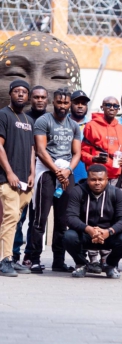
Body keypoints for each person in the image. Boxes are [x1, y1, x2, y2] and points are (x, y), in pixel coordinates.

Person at [29, 88, 82, 273]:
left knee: (62, 220)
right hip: (47, 172)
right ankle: (34, 259)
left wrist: (67, 171)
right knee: (40, 219)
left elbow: (77, 153)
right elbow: (40, 150)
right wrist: (56, 171)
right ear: (53, 102)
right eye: (59, 102)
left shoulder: (74, 125)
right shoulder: (44, 121)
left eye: (66, 102)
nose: (62, 106)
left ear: (70, 104)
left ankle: (58, 261)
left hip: (66, 173)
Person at [64, 165, 122, 279]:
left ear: (107, 180)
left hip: (108, 235)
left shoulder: (116, 193)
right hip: (85, 234)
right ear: (87, 179)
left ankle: (110, 265)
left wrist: (109, 231)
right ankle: (81, 264)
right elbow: (70, 217)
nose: (97, 183)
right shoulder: (77, 191)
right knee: (69, 236)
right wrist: (88, 229)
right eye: (93, 180)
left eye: (100, 179)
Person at [0, 80, 35, 277]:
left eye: (24, 92)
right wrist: (9, 172)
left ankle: (11, 258)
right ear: (10, 94)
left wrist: (32, 173)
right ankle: (4, 260)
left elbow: (32, 149)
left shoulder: (29, 120)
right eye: (16, 91)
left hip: (24, 180)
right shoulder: (3, 115)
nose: (20, 94)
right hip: (7, 178)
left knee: (16, 220)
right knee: (10, 217)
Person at [13, 85, 48, 267]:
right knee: (18, 217)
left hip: (42, 176)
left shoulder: (50, 119)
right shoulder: (22, 118)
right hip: (21, 174)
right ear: (30, 99)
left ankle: (30, 255)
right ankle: (13, 255)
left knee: (36, 219)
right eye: (36, 97)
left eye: (42, 97)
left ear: (47, 100)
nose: (39, 100)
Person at [81, 96, 122, 185]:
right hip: (96, 176)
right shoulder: (91, 126)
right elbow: (82, 152)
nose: (112, 108)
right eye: (108, 105)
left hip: (115, 177)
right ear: (102, 107)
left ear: (118, 109)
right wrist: (93, 158)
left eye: (115, 106)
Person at [69, 90, 91, 183]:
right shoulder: (62, 123)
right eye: (76, 103)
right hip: (64, 174)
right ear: (70, 104)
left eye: (83, 103)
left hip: (86, 177)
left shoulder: (92, 126)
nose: (80, 106)